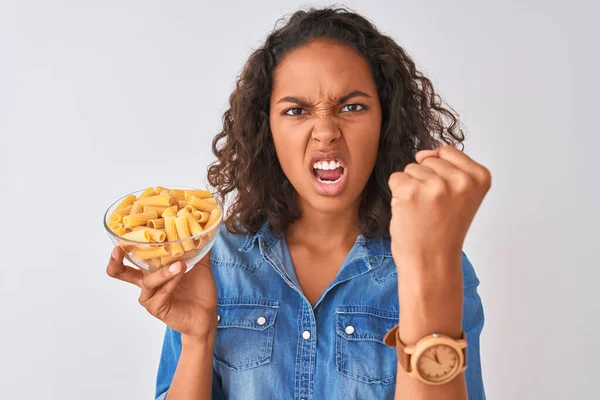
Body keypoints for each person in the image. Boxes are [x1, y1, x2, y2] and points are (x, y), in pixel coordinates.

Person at [107, 6, 491, 400]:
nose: (326, 131)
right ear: (266, 129)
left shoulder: (441, 265)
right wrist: (198, 338)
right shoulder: (213, 259)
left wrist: (428, 271)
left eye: (352, 107)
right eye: (296, 111)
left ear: (386, 120)